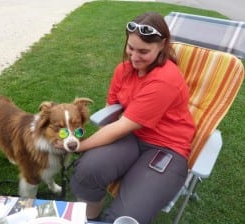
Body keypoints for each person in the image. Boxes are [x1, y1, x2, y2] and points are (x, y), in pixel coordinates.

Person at [69, 12, 196, 223]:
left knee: (127, 217)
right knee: (88, 170)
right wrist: (98, 150)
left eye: (144, 51)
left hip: (165, 147)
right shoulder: (123, 70)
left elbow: (120, 127)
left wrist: (77, 146)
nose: (134, 57)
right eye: (131, 48)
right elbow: (113, 112)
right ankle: (90, 219)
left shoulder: (165, 79)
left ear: (162, 45)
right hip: (130, 137)